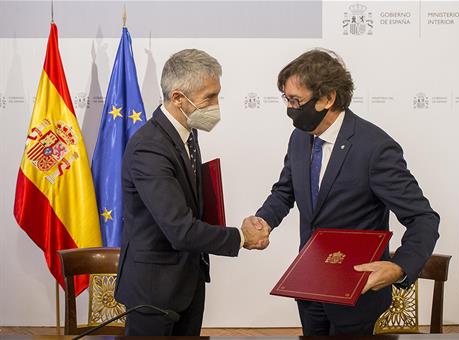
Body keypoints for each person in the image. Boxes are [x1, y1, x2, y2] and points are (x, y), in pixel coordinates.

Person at [254, 49, 440, 336]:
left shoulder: (375, 148)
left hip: (356, 296)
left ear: (328, 98)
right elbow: (285, 191)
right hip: (309, 287)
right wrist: (263, 220)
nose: (289, 109)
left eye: (296, 101)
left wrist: (400, 267)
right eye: (286, 99)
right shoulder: (299, 137)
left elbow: (423, 218)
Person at [114, 49, 269, 336]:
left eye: (217, 95)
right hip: (154, 292)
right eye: (208, 98)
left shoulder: (189, 133)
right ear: (177, 99)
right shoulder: (149, 148)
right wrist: (241, 237)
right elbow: (180, 230)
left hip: (188, 282)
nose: (216, 105)